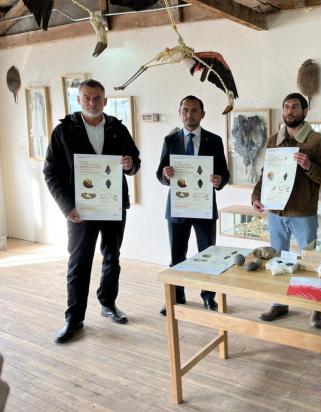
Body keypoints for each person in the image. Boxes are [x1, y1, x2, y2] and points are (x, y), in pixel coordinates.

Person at [43, 79, 141, 344]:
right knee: (79, 263)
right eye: (86, 98)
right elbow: (51, 172)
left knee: (112, 257)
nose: (92, 103)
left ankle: (108, 304)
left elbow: (134, 162)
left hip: (113, 206)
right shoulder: (63, 131)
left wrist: (130, 165)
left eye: (97, 98)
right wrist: (67, 206)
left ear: (105, 100)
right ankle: (74, 319)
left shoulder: (118, 129)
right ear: (79, 100)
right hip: (80, 211)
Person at [252, 93, 321, 329]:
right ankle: (279, 303)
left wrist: (308, 166)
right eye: (286, 107)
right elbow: (267, 172)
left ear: (305, 111)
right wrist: (256, 194)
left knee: (311, 261)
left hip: (303, 213)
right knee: (276, 261)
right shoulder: (275, 139)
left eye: (295, 107)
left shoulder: (317, 140)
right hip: (276, 213)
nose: (289, 111)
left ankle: (316, 308)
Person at [157, 95, 230, 315]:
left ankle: (209, 297)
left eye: (194, 110)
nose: (190, 114)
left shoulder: (214, 140)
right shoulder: (170, 141)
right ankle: (176, 295)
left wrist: (219, 181)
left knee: (208, 256)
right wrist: (166, 175)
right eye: (185, 110)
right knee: (177, 255)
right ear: (180, 113)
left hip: (204, 207)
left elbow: (224, 173)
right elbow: (160, 174)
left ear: (202, 114)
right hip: (178, 208)